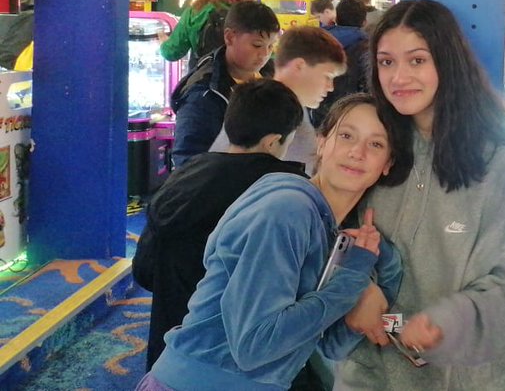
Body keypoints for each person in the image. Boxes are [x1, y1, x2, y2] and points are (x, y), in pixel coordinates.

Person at [137, 93, 403, 391]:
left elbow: (331, 346)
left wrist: (383, 281)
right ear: (322, 142)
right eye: (346, 135)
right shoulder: (288, 210)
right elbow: (255, 347)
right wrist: (352, 279)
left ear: (387, 163)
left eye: (376, 144)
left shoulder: (327, 228)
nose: (357, 151)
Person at [336, 0, 505, 390]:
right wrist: (354, 288)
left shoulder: (499, 158)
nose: (398, 77)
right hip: (368, 370)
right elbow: (328, 234)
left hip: (457, 377)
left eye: (416, 60)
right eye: (386, 62)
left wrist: (443, 323)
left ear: (446, 61)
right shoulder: (376, 143)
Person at [134, 79, 309, 369]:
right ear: (272, 141)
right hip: (233, 356)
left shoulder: (186, 173)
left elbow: (144, 270)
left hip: (170, 354)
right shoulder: (282, 190)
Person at [209, 26, 346, 175]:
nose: (330, 87)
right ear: (299, 66)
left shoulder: (258, 105)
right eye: (328, 76)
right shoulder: (269, 114)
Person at [169, 1, 280, 169]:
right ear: (229, 37)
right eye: (257, 45)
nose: (265, 54)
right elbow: (187, 162)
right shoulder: (204, 94)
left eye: (271, 46)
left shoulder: (271, 77)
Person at [159, 0, 242, 69]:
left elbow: (172, 52)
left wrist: (163, 43)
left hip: (203, 75)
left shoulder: (194, 11)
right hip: (238, 78)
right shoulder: (246, 12)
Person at [314, 0, 372, 128]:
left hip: (318, 109)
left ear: (337, 18)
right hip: (351, 113)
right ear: (364, 22)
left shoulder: (318, 40)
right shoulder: (366, 49)